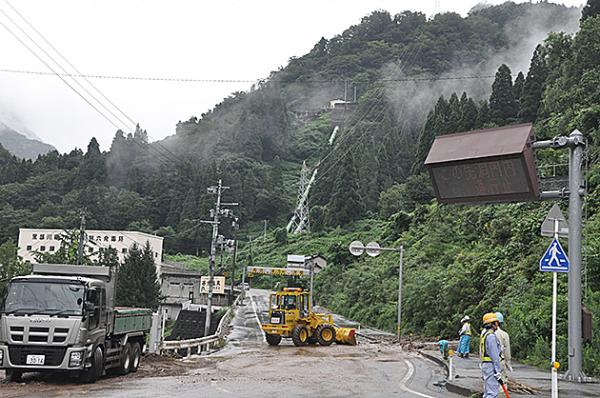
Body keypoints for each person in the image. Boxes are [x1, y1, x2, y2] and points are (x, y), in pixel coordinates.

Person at [480, 312, 504, 398]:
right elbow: (495, 356)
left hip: (486, 365)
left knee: (487, 393)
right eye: (496, 322)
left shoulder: (484, 334)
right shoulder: (491, 336)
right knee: (492, 393)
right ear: (494, 323)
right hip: (491, 367)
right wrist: (497, 371)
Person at [495, 312, 513, 385]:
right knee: (502, 384)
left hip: (488, 364)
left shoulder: (484, 334)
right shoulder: (504, 334)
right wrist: (508, 363)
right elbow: (507, 352)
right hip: (500, 362)